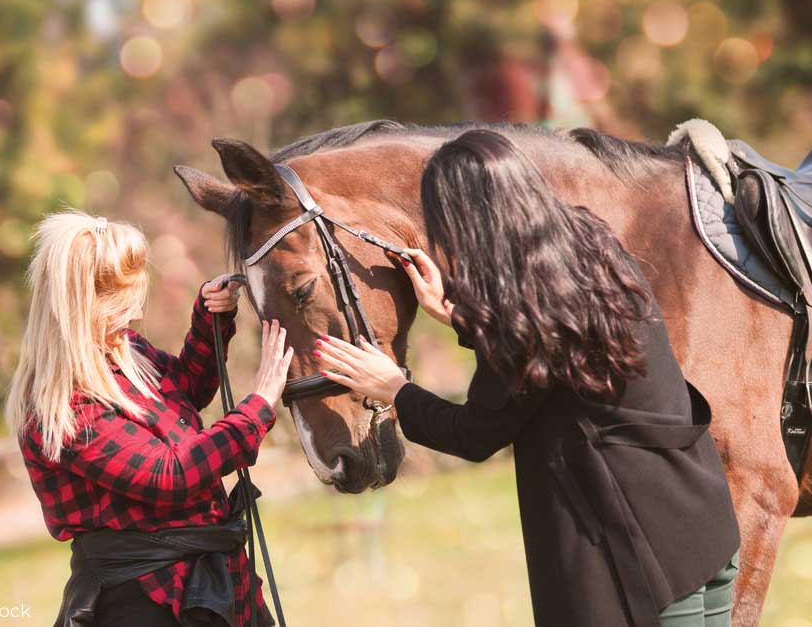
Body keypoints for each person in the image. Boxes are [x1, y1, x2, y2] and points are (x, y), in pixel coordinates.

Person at [314, 129, 741, 627]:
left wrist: (394, 389)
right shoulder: (588, 241)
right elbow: (555, 350)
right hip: (701, 523)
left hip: (647, 562)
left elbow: (474, 433)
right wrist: (459, 316)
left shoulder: (522, 308)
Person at [4, 210, 292, 627]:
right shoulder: (62, 407)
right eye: (122, 306)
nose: (135, 317)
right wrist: (256, 408)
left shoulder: (124, 351)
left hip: (210, 580)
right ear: (80, 306)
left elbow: (185, 395)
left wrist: (211, 319)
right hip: (144, 601)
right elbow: (169, 475)